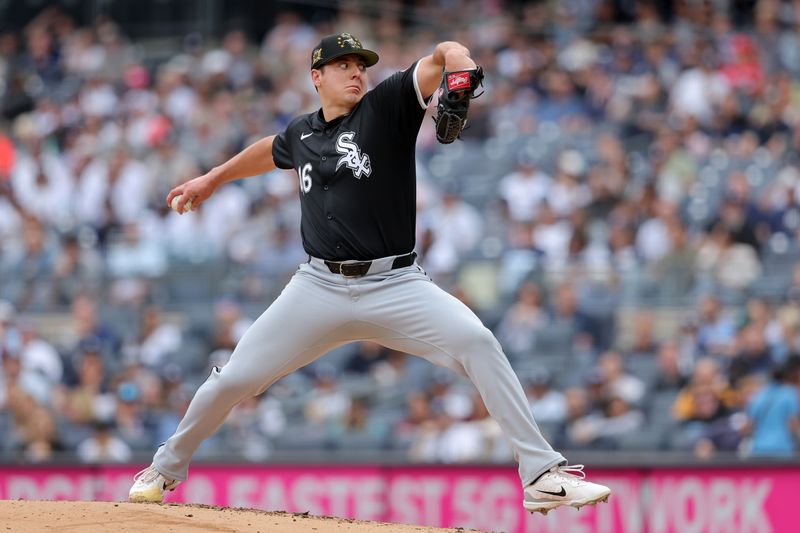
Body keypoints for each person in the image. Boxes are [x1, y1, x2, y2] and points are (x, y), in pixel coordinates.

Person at [128, 32, 610, 515]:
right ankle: (165, 468)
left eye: (361, 64)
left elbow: (441, 57)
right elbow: (270, 149)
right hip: (317, 287)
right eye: (343, 65)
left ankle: (542, 474)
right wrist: (212, 178)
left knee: (479, 342)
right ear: (317, 77)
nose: (357, 71)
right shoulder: (302, 134)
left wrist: (457, 58)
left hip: (396, 284)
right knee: (232, 380)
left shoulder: (386, 107)